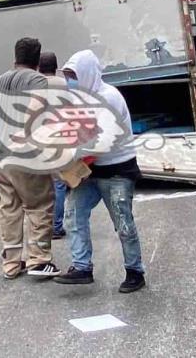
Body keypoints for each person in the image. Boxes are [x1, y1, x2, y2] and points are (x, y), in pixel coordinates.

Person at [52, 50, 146, 292]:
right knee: (73, 214)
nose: (70, 80)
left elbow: (100, 142)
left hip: (117, 171)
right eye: (68, 75)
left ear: (87, 73)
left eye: (74, 75)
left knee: (123, 222)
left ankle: (135, 271)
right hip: (91, 171)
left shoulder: (108, 98)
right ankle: (81, 267)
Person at [0, 37, 59, 279]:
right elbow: (38, 107)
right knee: (39, 206)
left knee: (10, 209)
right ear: (37, 59)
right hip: (27, 158)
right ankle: (38, 260)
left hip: (2, 158)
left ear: (15, 56)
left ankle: (12, 264)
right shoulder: (38, 79)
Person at [38, 52, 68, 240]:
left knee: (40, 186)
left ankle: (42, 227)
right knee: (58, 185)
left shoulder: (34, 85)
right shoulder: (65, 84)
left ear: (39, 67)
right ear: (56, 66)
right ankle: (56, 226)